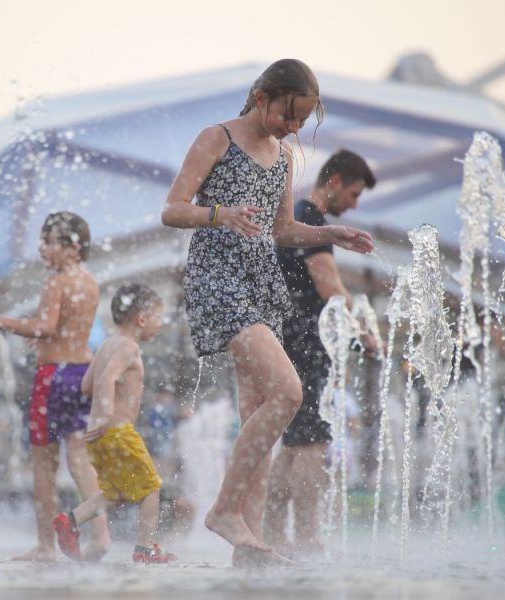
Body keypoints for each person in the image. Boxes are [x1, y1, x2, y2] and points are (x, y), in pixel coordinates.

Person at [160, 59, 374, 565]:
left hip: (262, 286)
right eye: (288, 114)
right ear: (262, 96)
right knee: (289, 392)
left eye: (302, 120)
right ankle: (225, 510)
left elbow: (283, 232)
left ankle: (249, 543)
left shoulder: (283, 157)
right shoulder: (217, 139)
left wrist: (329, 233)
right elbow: (172, 210)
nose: (294, 127)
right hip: (219, 281)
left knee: (259, 413)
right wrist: (220, 214)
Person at [0, 211, 110, 562]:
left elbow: (45, 327)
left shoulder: (57, 281)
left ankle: (46, 546)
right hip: (82, 373)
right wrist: (45, 338)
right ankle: (101, 536)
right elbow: (67, 330)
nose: (42, 248)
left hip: (54, 377)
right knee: (79, 459)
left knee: (44, 464)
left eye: (50, 242)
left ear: (73, 248)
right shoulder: (89, 281)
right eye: (42, 240)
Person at [264, 150, 379, 556]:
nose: (354, 203)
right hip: (308, 340)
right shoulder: (312, 221)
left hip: (287, 337)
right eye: (353, 191)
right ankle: (308, 534)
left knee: (293, 443)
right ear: (334, 181)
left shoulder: (296, 217)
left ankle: (274, 534)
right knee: (312, 440)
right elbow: (329, 287)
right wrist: (368, 334)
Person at [52, 283, 176, 564]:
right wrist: (108, 414)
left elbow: (87, 385)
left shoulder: (107, 344)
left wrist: (100, 413)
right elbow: (107, 378)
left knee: (114, 492)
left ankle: (69, 520)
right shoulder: (129, 348)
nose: (161, 324)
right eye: (159, 317)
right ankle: (145, 550)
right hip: (118, 431)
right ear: (141, 319)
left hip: (97, 437)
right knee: (152, 489)